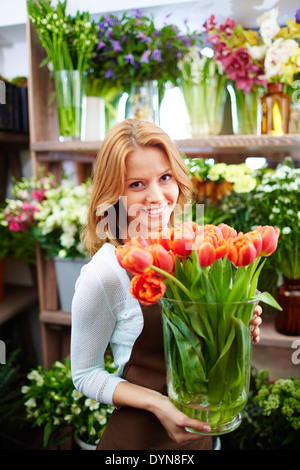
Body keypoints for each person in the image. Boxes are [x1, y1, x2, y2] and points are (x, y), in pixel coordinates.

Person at [71, 118, 262, 450]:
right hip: (140, 443)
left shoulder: (193, 251)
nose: (157, 196)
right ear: (112, 192)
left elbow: (199, 348)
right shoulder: (104, 274)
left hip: (203, 438)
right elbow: (85, 374)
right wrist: (160, 404)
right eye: (136, 185)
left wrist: (233, 327)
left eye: (164, 178)